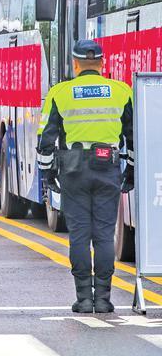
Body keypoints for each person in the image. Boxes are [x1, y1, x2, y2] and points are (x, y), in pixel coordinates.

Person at [37, 40, 133, 314]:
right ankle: (103, 299)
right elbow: (132, 134)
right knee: (104, 235)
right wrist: (132, 171)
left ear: (75, 64)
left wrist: (47, 173)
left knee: (79, 235)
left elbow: (46, 137)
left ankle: (84, 299)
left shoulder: (60, 93)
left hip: (74, 170)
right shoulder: (121, 91)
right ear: (103, 64)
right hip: (108, 168)